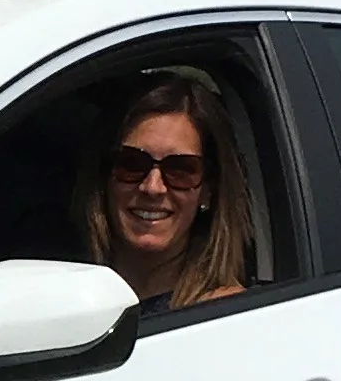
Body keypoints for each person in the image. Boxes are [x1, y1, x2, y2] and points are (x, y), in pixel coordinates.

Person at [74, 65, 252, 313]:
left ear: (208, 190)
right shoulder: (66, 299)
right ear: (105, 175)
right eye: (132, 164)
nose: (153, 187)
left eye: (181, 169)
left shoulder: (229, 317)